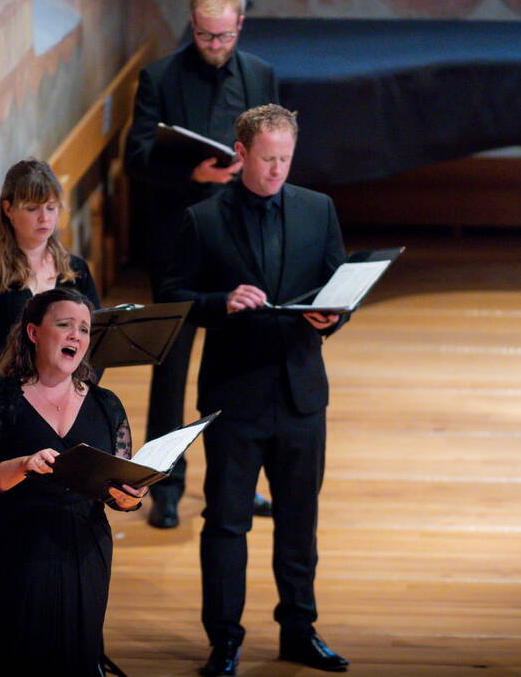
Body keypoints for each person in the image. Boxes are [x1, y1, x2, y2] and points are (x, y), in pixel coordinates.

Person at [159, 104, 349, 675]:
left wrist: (332, 319)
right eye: (267, 159)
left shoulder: (319, 210)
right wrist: (220, 303)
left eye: (285, 159)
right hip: (234, 397)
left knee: (299, 521)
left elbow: (338, 286)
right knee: (226, 523)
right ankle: (224, 641)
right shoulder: (204, 219)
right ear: (240, 154)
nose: (276, 170)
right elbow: (171, 295)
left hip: (300, 394)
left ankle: (299, 631)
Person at [126, 0, 280, 529]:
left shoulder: (260, 74)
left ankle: (240, 484)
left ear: (240, 26)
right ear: (191, 26)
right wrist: (189, 170)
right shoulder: (161, 76)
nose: (212, 44)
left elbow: (274, 147)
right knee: (170, 367)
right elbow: (136, 156)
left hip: (243, 236)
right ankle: (165, 484)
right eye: (203, 34)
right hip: (180, 241)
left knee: (249, 364)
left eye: (222, 35)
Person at [0, 287, 145, 675]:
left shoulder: (107, 404)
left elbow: (120, 484)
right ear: (33, 333)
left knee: (77, 654)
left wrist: (129, 498)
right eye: (64, 325)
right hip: (13, 546)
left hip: (83, 546)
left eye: (84, 329)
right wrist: (24, 464)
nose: (76, 336)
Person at [0, 158, 100, 403]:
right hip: (3, 405)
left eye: (51, 208)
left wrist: (76, 388)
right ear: (8, 209)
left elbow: (97, 342)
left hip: (65, 403)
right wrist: (14, 394)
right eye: (32, 208)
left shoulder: (76, 271)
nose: (44, 218)